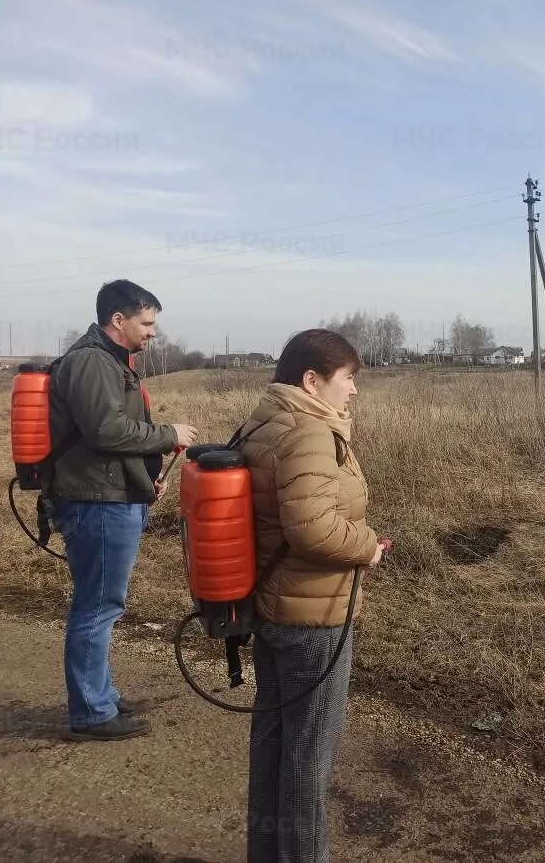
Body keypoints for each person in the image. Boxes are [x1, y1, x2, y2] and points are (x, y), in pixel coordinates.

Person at [239, 329, 384, 863]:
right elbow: (312, 529)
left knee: (274, 741)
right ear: (311, 380)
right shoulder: (310, 432)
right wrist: (367, 546)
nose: (353, 391)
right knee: (308, 755)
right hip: (313, 616)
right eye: (348, 378)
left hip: (273, 605)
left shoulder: (263, 420)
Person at [47, 280, 198, 740]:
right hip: (98, 504)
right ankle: (92, 712)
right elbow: (105, 431)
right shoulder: (92, 361)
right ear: (119, 319)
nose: (152, 332)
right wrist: (169, 434)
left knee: (101, 603)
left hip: (109, 496)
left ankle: (101, 696)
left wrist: (145, 474)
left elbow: (111, 438)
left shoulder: (109, 360)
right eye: (146, 322)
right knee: (97, 607)